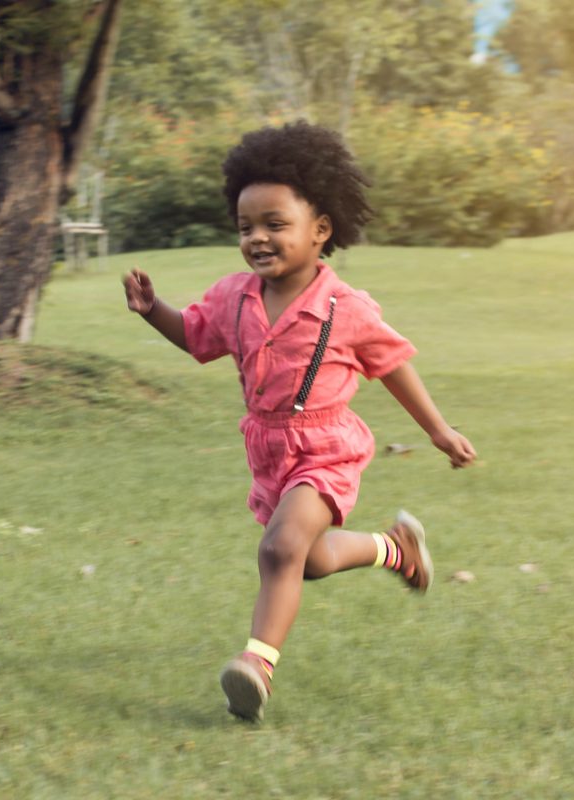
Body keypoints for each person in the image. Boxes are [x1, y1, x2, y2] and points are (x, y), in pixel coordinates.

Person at [122, 122, 477, 722]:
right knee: (306, 561)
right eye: (245, 227)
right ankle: (396, 550)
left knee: (279, 549)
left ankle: (255, 664)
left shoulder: (348, 308)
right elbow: (197, 338)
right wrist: (153, 310)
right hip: (268, 450)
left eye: (274, 225)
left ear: (321, 231)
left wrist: (438, 431)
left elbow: (393, 366)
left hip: (327, 447)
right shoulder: (234, 297)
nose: (257, 238)